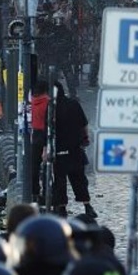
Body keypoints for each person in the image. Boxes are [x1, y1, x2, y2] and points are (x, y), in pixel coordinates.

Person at [50, 82, 96, 219]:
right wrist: (85, 138)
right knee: (79, 179)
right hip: (75, 148)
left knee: (59, 181)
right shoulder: (73, 104)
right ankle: (87, 206)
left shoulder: (51, 108)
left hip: (59, 150)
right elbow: (84, 124)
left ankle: (62, 208)